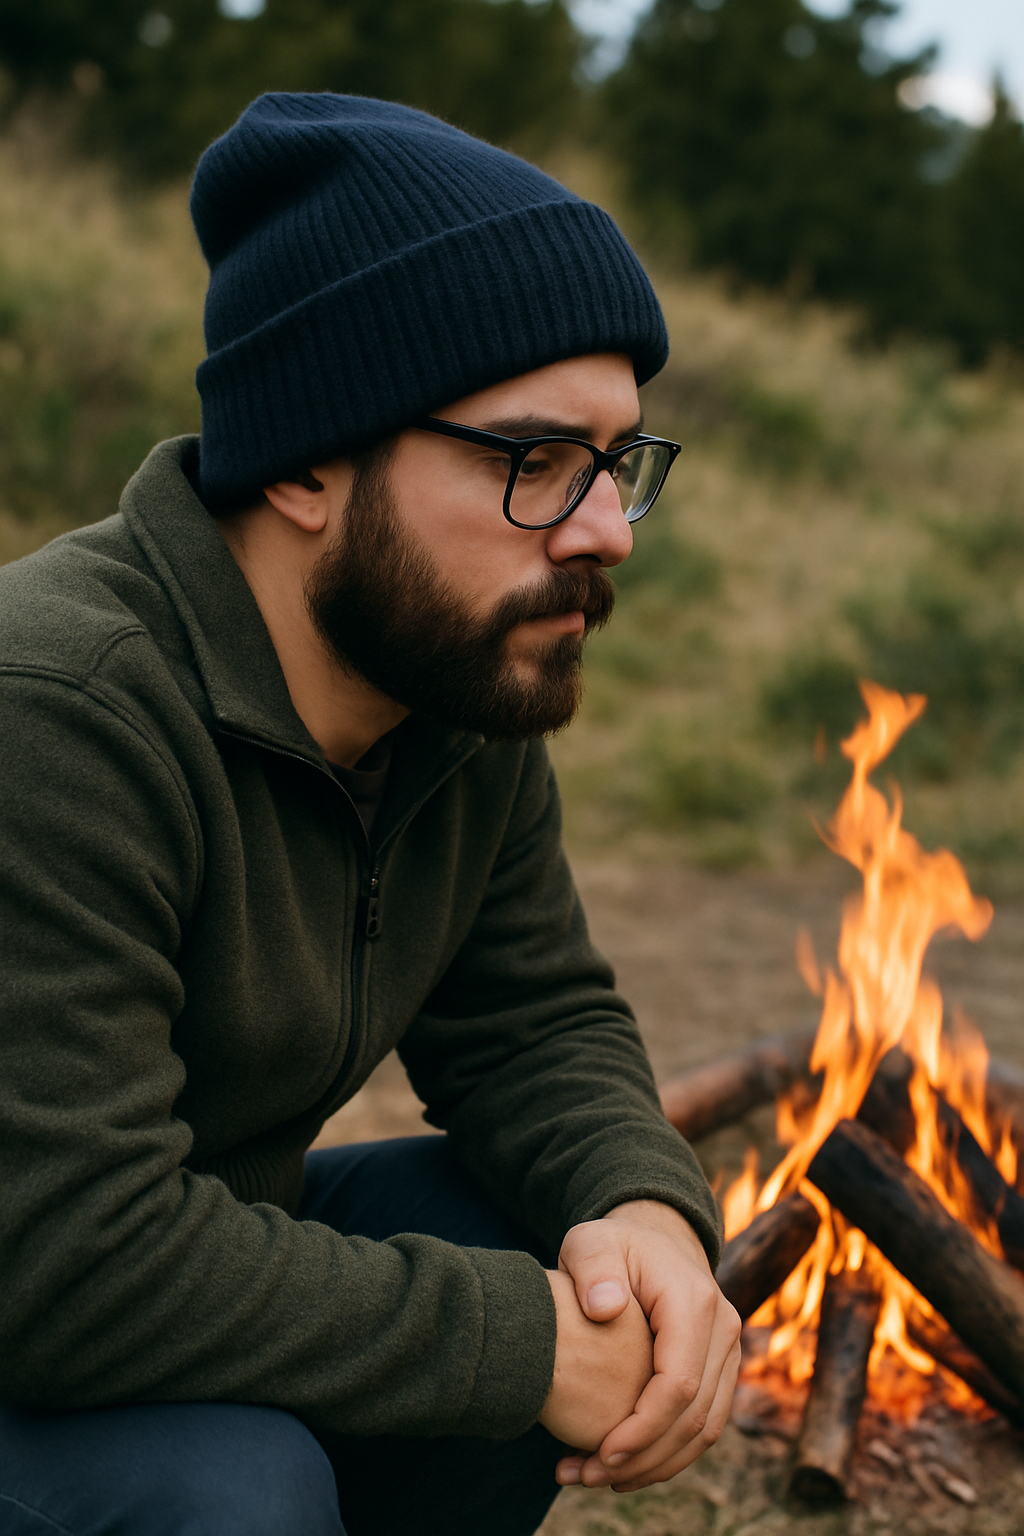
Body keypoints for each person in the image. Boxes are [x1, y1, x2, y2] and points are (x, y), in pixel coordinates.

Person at [0, 93, 740, 1536]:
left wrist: (645, 1215)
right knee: (229, 1493)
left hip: (122, 1277)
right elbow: (69, 1260)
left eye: (621, 464)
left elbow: (532, 1026)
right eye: (533, 461)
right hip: (44, 1286)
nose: (600, 533)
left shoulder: (448, 684)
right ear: (304, 463)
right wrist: (521, 1340)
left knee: (547, 1237)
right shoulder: (56, 710)